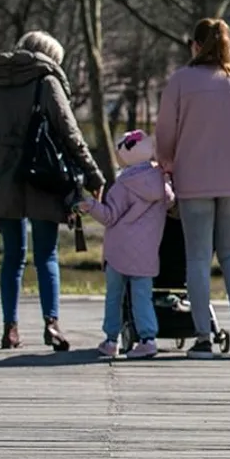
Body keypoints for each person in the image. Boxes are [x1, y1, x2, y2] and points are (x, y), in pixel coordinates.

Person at [0, 30, 105, 351]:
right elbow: (70, 133)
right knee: (46, 254)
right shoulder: (47, 81)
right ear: (49, 56)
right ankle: (51, 325)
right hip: (42, 174)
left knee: (12, 256)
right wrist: (93, 175)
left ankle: (10, 328)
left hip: (1, 175)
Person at [156, 18, 230, 359]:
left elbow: (165, 132)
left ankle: (203, 336)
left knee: (198, 258)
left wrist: (167, 163)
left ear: (196, 45)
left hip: (194, 180)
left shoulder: (181, 81)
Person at [79, 130, 173, 360]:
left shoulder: (123, 185)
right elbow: (171, 202)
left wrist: (90, 205)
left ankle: (111, 340)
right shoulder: (162, 183)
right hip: (147, 251)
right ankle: (148, 339)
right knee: (143, 296)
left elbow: (109, 216)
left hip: (119, 251)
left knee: (115, 296)